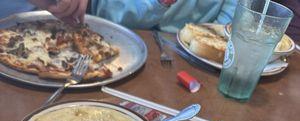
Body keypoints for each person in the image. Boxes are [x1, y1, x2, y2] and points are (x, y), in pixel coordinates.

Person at [1, 0, 237, 32]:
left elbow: (237, 12)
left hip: (196, 61)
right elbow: (117, 16)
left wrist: (213, 35)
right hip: (109, 32)